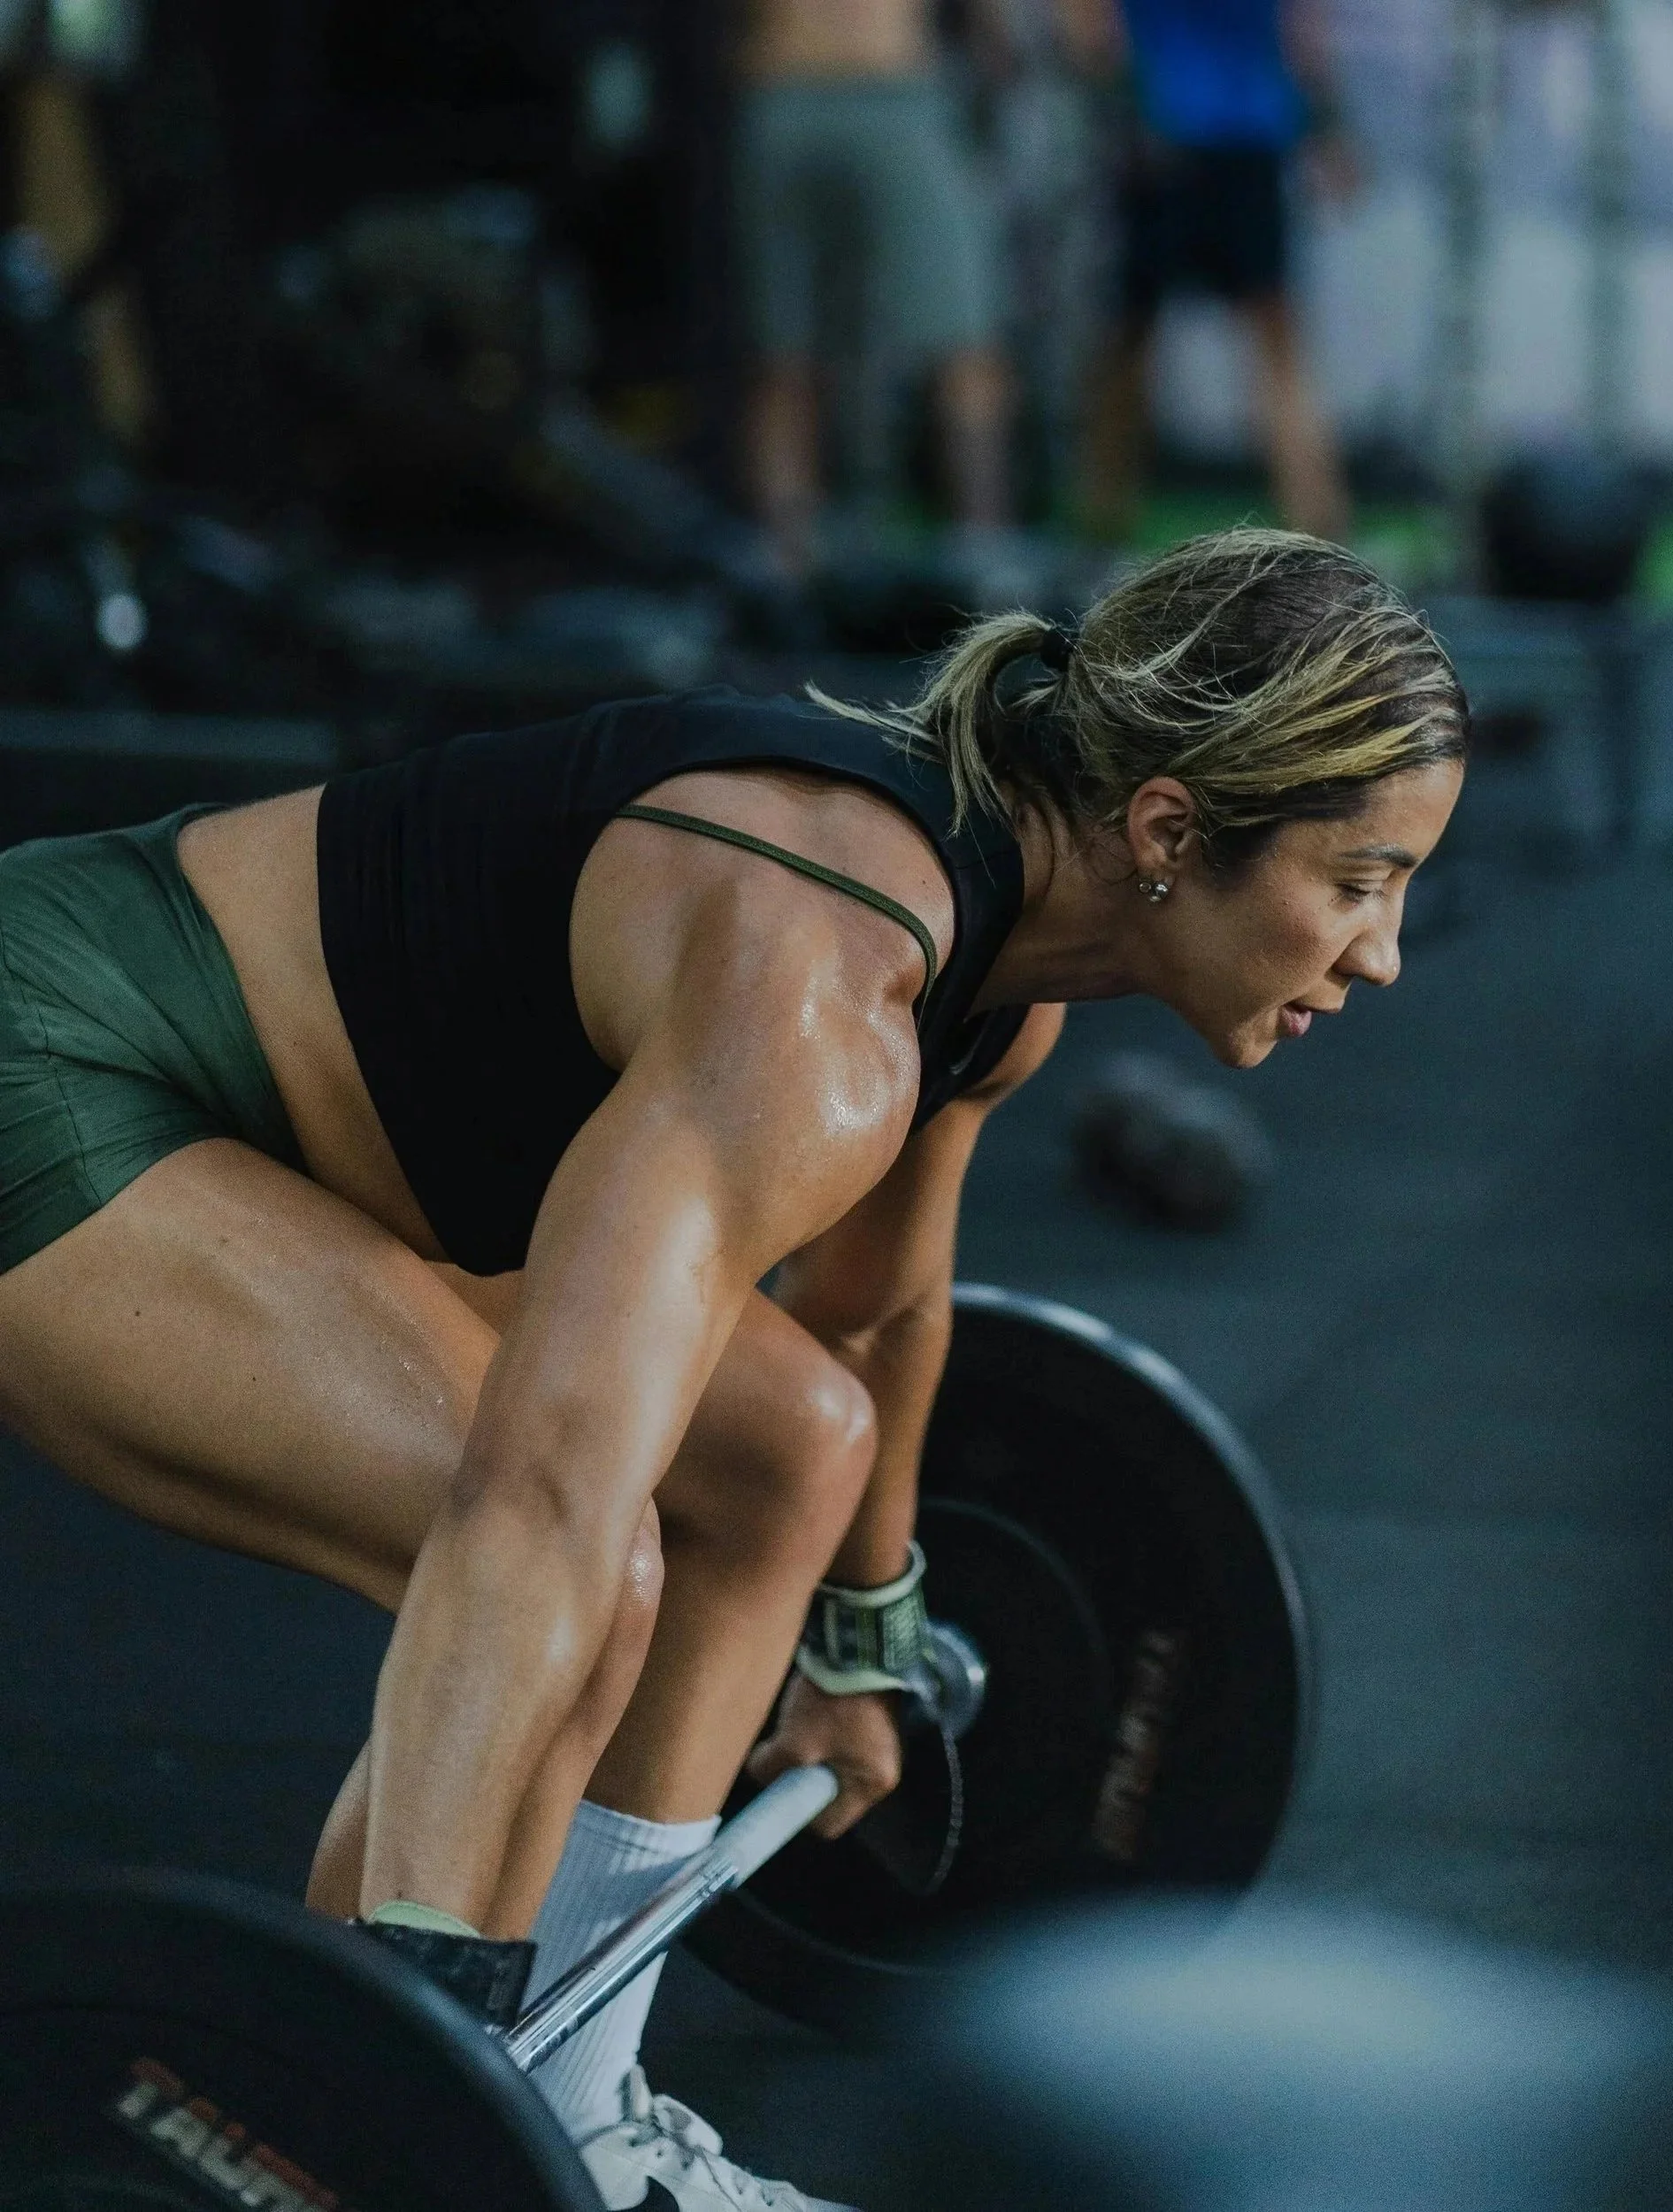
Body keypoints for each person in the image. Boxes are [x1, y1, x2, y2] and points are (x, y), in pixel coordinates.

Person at [0, 527, 1466, 2211]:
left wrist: (863, 1639)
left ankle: (574, 2113)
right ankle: (372, 2128)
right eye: (1356, 882)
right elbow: (535, 1499)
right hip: (59, 1059)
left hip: (294, 1149)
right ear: (1167, 830)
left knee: (788, 1449)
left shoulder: (1000, 985)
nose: (1382, 952)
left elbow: (869, 1321)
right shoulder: (825, 1003)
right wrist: (422, 2025)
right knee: (597, 1566)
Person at [735, 0, 1019, 575]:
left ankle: (987, 557)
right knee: (782, 348)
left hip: (900, 87)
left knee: (965, 332)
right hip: (780, 88)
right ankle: (786, 566)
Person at [1067, 0, 1355, 542]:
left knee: (1254, 336)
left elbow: (1303, 31)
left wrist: (1329, 129)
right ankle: (1099, 520)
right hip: (1179, 140)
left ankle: (1322, 528)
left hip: (1222, 137)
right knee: (1135, 336)